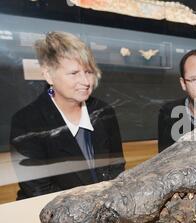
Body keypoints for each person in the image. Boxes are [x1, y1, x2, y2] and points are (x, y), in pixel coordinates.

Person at [9, 31, 125, 200]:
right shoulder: (26, 122)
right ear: (48, 75)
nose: (86, 82)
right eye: (74, 73)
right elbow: (39, 190)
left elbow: (116, 166)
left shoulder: (104, 111)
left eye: (88, 72)